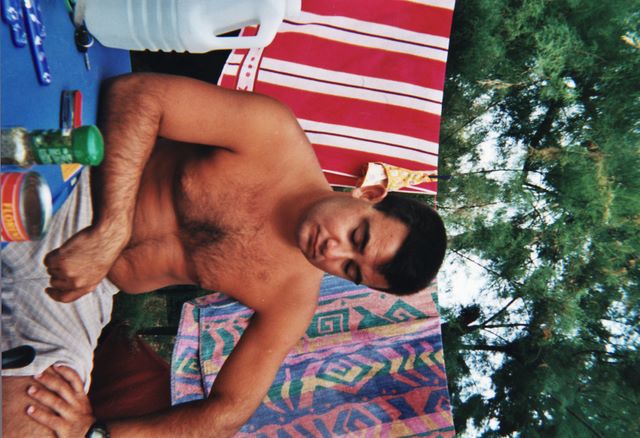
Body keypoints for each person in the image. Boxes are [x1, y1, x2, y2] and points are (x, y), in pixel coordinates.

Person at [1, 73, 447, 437]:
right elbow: (138, 95)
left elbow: (227, 412)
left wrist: (96, 433)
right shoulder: (273, 134)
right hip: (72, 189)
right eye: (357, 235)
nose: (332, 251)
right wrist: (111, 229)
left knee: (36, 426)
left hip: (78, 296)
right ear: (368, 194)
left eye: (349, 269)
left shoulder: (291, 299)